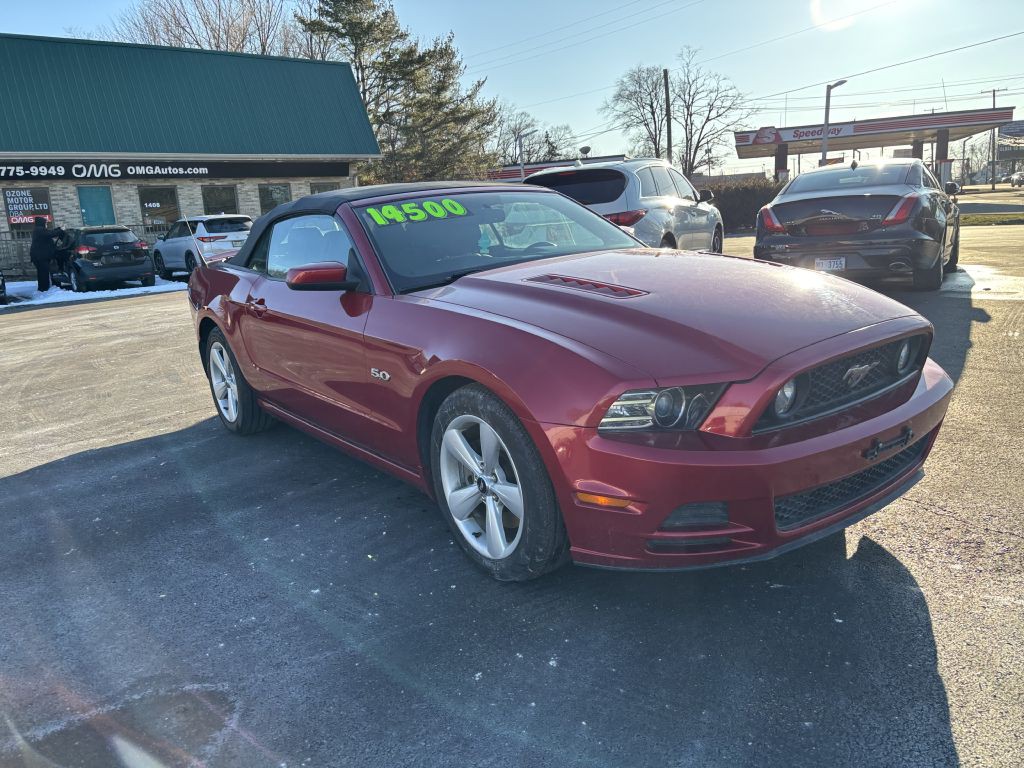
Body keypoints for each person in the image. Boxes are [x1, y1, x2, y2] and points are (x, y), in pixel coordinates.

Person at [29, 216, 58, 292]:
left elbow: (49, 233)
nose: (46, 225)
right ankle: (44, 288)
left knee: (42, 272)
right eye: (45, 223)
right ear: (42, 223)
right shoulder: (39, 230)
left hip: (39, 256)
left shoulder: (39, 230)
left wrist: (57, 230)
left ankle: (42, 287)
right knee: (43, 273)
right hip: (40, 257)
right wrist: (60, 230)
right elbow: (50, 234)